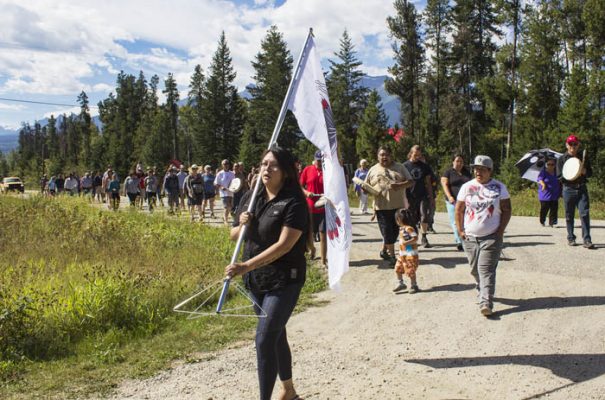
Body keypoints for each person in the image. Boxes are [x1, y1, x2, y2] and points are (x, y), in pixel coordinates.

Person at [225, 146, 310, 400]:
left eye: (273, 165)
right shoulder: (252, 197)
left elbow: (284, 245)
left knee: (264, 339)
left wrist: (245, 266)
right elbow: (233, 236)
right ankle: (289, 391)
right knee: (276, 333)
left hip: (285, 279)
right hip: (257, 282)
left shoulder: (294, 203)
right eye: (263, 164)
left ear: (285, 172)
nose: (266, 169)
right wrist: (243, 225)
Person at [455, 155, 512, 317]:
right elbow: (459, 210)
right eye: (475, 169)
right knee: (474, 269)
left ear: (489, 170)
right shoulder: (467, 187)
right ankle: (481, 288)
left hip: (491, 236)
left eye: (481, 169)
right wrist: (460, 231)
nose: (478, 172)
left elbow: (507, 210)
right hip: (470, 237)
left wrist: (500, 231)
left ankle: (486, 301)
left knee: (485, 269)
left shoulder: (500, 187)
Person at [365, 146, 414, 265]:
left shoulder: (400, 167)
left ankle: (384, 250)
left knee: (395, 231)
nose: (384, 157)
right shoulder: (373, 170)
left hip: (398, 207)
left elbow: (411, 182)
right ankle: (393, 256)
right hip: (381, 207)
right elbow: (366, 187)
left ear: (391, 155)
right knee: (387, 231)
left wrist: (400, 185)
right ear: (377, 156)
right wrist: (364, 189)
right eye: (381, 155)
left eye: (386, 154)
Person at [556, 134, 594, 249]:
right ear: (566, 145)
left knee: (584, 213)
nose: (573, 146)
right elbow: (559, 176)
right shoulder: (561, 159)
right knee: (569, 215)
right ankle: (571, 238)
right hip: (568, 189)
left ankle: (587, 240)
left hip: (582, 188)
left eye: (575, 144)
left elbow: (590, 174)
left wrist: (584, 171)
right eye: (570, 144)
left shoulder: (583, 157)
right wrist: (571, 175)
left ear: (578, 145)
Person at [404, 145, 435, 248]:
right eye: (415, 154)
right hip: (409, 196)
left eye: (419, 155)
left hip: (422, 195)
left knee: (424, 216)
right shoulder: (404, 166)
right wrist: (404, 199)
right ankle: (413, 238)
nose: (417, 156)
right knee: (411, 219)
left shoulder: (424, 166)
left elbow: (428, 183)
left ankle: (424, 237)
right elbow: (402, 183)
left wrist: (431, 197)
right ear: (411, 153)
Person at [300, 150, 326, 265]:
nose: (319, 163)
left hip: (324, 206)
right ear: (314, 159)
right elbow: (300, 186)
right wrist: (306, 193)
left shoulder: (327, 170)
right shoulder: (307, 169)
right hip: (310, 206)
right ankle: (313, 250)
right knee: (309, 232)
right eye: (318, 160)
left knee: (323, 232)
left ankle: (323, 260)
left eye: (322, 160)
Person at [441, 154, 472, 251]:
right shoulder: (448, 172)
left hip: (465, 201)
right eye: (457, 161)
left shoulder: (467, 173)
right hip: (453, 201)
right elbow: (444, 185)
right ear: (453, 161)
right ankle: (459, 241)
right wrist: (449, 196)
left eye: (461, 161)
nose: (459, 163)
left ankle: (465, 238)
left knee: (465, 220)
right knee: (455, 221)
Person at [392, 208, 420, 294]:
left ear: (399, 219)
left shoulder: (409, 228)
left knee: (410, 270)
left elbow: (415, 238)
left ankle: (414, 285)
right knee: (398, 268)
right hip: (402, 254)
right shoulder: (401, 229)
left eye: (397, 219)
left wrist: (407, 242)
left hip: (410, 254)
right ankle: (401, 283)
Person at [538, 157, 560, 228]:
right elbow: (539, 180)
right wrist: (543, 184)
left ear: (555, 165)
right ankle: (542, 221)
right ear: (546, 165)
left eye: (552, 164)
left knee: (554, 209)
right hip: (545, 194)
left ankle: (552, 222)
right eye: (549, 164)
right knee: (544, 209)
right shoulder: (543, 172)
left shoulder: (557, 173)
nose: (550, 166)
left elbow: (560, 181)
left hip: (554, 194)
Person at [215, 159, 235, 225]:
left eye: (227, 164)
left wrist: (234, 188)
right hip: (223, 193)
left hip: (231, 192)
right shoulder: (220, 173)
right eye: (224, 164)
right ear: (222, 165)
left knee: (230, 206)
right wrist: (221, 187)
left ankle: (224, 217)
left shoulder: (232, 173)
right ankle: (226, 220)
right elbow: (216, 183)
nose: (226, 165)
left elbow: (235, 182)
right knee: (227, 207)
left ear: (229, 165)